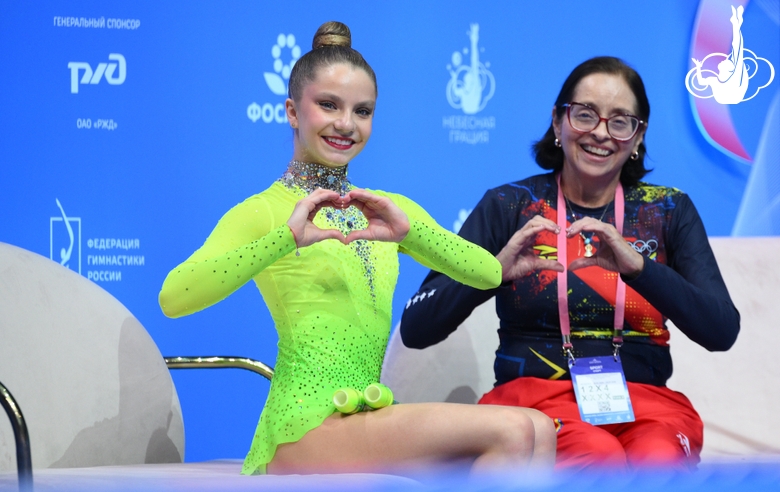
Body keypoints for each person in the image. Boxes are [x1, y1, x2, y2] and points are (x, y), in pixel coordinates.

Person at [159, 21, 555, 476]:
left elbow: (487, 272)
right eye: (328, 105)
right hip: (303, 426)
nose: (346, 124)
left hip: (366, 414)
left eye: (362, 111)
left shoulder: (385, 211)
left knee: (539, 428)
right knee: (515, 431)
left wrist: (410, 234)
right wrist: (283, 240)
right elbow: (174, 298)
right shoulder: (265, 212)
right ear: (292, 110)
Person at [400, 56, 740, 472]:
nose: (600, 132)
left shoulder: (669, 209)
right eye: (584, 115)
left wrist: (639, 268)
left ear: (637, 137)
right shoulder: (509, 205)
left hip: (644, 404)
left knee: (658, 459)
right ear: (558, 122)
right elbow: (417, 329)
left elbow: (721, 330)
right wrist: (492, 274)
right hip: (535, 405)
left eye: (620, 121)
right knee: (596, 458)